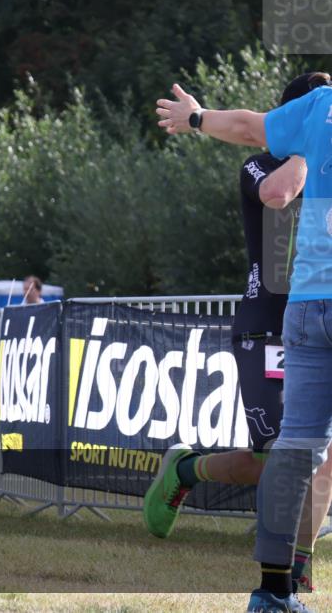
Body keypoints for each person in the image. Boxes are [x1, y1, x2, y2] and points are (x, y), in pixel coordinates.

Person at [144, 74, 332, 598]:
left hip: (309, 311)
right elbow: (278, 194)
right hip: (266, 324)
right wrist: (306, 148)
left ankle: (298, 569)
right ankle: (187, 468)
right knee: (279, 455)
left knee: (322, 459)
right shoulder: (264, 162)